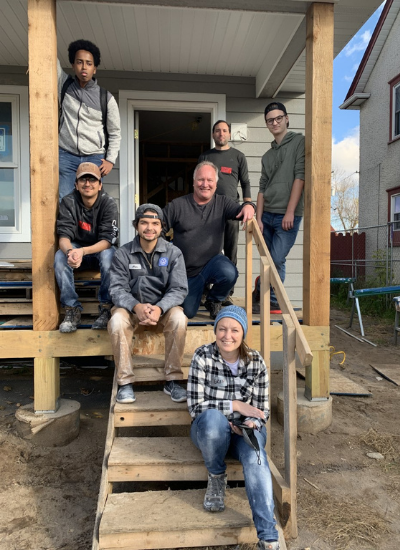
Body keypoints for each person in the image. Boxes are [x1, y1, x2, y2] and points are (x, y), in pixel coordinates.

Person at [187, 305, 279, 550]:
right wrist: (235, 405)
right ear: (215, 330)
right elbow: (196, 407)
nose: (228, 336)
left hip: (241, 432)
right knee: (213, 420)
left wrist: (251, 422)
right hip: (210, 432)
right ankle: (217, 476)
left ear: (243, 333)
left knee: (257, 456)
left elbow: (262, 411)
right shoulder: (203, 356)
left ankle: (268, 538)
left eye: (234, 330)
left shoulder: (256, 361)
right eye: (222, 329)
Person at [108, 204, 188, 404]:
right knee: (117, 321)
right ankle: (125, 383)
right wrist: (136, 306)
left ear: (162, 227)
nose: (149, 228)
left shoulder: (173, 253)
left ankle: (173, 380)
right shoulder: (123, 253)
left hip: (163, 310)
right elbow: (117, 289)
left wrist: (160, 307)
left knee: (179, 318)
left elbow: (179, 289)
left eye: (155, 223)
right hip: (131, 310)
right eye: (144, 223)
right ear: (136, 225)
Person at [162, 161, 255, 320]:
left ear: (216, 184)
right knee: (188, 312)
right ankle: (197, 293)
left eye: (210, 180)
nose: (205, 184)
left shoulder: (222, 203)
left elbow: (240, 210)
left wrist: (248, 206)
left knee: (229, 272)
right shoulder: (177, 205)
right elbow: (159, 228)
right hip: (186, 272)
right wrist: (167, 255)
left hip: (212, 264)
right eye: (201, 180)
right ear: (193, 182)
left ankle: (214, 300)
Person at [253, 102, 305, 314]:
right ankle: (262, 289)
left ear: (287, 118)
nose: (275, 122)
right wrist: (258, 218)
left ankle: (273, 299)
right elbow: (262, 186)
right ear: (266, 124)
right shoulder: (267, 155)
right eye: (270, 120)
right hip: (266, 215)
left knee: (277, 258)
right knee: (268, 259)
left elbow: (300, 177)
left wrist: (290, 211)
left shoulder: (299, 142)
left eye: (278, 118)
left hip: (287, 214)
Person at [54, 162, 118, 332]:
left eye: (92, 180)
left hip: (98, 250)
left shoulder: (108, 203)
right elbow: (64, 237)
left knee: (110, 255)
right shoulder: (68, 202)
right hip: (76, 249)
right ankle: (71, 309)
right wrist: (70, 253)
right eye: (83, 180)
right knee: (59, 257)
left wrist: (82, 251)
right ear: (76, 184)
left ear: (100, 185)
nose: (87, 184)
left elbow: (107, 241)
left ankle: (106, 307)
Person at [58, 39, 121, 199]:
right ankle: (68, 226)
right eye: (79, 62)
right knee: (65, 199)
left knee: (89, 200)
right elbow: (50, 60)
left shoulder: (106, 98)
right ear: (73, 65)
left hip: (94, 156)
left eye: (89, 63)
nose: (84, 67)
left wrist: (110, 160)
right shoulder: (64, 85)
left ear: (95, 69)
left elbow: (115, 133)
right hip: (66, 154)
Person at [198, 120, 251, 279]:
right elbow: (198, 182)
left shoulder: (238, 156)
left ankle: (227, 291)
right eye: (217, 131)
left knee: (230, 250)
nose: (221, 134)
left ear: (229, 134)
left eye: (224, 130)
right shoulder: (205, 156)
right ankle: (205, 290)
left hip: (232, 210)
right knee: (206, 250)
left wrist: (247, 204)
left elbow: (245, 182)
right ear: (213, 134)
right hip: (209, 211)